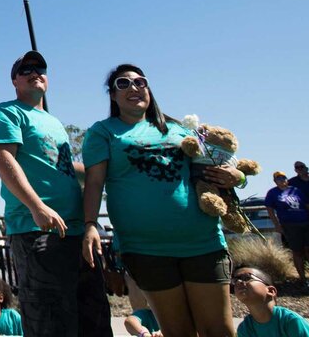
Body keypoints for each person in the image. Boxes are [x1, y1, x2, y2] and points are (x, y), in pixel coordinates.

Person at [81, 64, 241, 337]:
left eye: (140, 82)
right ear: (113, 95)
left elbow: (215, 167)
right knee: (177, 331)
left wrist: (235, 176)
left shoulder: (179, 130)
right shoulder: (103, 132)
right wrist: (90, 224)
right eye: (123, 84)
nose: (134, 87)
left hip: (202, 241)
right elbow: (94, 182)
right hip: (146, 248)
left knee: (220, 330)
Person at [0, 51, 111, 337]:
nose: (34, 72)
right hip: (37, 230)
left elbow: (64, 166)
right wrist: (37, 206)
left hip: (77, 233)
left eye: (40, 68)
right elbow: (3, 159)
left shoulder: (53, 123)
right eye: (25, 69)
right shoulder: (8, 112)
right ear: (14, 80)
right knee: (50, 322)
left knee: (93, 320)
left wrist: (103, 169)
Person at [264, 172, 309, 289]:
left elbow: (307, 205)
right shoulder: (273, 193)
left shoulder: (296, 190)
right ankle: (303, 279)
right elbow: (270, 210)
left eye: (283, 178)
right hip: (290, 225)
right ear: (275, 181)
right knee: (297, 251)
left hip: (305, 222)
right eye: (278, 179)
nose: (281, 180)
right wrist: (277, 225)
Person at [232, 267, 309, 337]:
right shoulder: (245, 328)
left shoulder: (290, 321)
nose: (239, 282)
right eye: (235, 280)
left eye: (246, 278)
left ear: (270, 291)